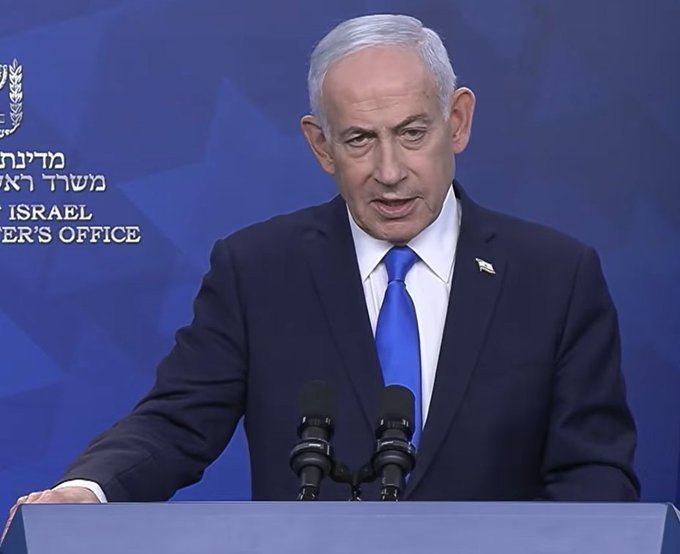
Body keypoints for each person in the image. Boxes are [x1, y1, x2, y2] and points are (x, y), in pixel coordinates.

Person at [3, 13, 639, 540]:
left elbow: (594, 473)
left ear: (458, 121)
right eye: (359, 139)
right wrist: (88, 490)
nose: (389, 170)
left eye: (412, 133)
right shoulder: (258, 271)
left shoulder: (555, 277)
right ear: (320, 144)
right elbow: (176, 422)